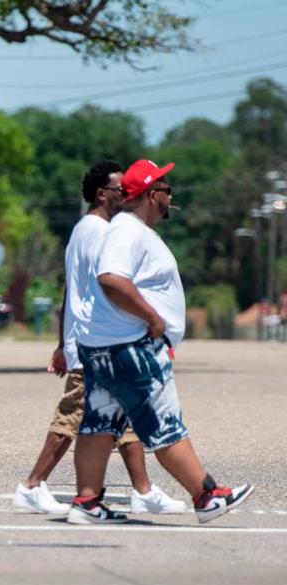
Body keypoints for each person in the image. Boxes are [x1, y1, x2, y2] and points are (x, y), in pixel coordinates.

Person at [68, 158, 254, 525]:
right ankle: (206, 496)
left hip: (106, 345)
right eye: (167, 189)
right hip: (129, 347)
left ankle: (87, 503)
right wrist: (152, 318)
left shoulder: (127, 229)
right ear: (153, 194)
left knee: (99, 422)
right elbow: (111, 279)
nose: (171, 195)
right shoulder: (127, 232)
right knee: (164, 426)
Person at [13, 161, 185, 516]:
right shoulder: (98, 232)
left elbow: (70, 292)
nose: (125, 194)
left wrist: (62, 342)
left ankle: (143, 490)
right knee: (75, 418)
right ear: (101, 194)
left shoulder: (89, 229)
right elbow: (107, 286)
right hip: (98, 344)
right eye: (119, 189)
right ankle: (32, 485)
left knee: (120, 420)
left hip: (91, 341)